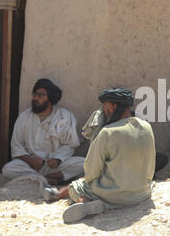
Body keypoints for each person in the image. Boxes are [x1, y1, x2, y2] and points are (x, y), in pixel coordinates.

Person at [42, 88, 156, 224]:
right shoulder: (146, 126)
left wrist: (96, 133)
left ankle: (84, 201)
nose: (104, 111)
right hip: (140, 193)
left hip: (113, 196)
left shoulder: (107, 133)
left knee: (78, 186)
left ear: (112, 106)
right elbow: (150, 169)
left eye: (105, 107)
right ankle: (75, 198)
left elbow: (91, 172)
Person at [2, 78, 84, 185]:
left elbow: (70, 144)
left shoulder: (64, 117)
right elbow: (16, 146)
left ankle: (39, 179)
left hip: (54, 165)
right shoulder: (24, 117)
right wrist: (31, 161)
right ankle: (51, 180)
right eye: (35, 94)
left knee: (84, 164)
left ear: (50, 99)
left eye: (41, 95)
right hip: (30, 165)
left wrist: (57, 159)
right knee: (8, 169)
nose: (35, 98)